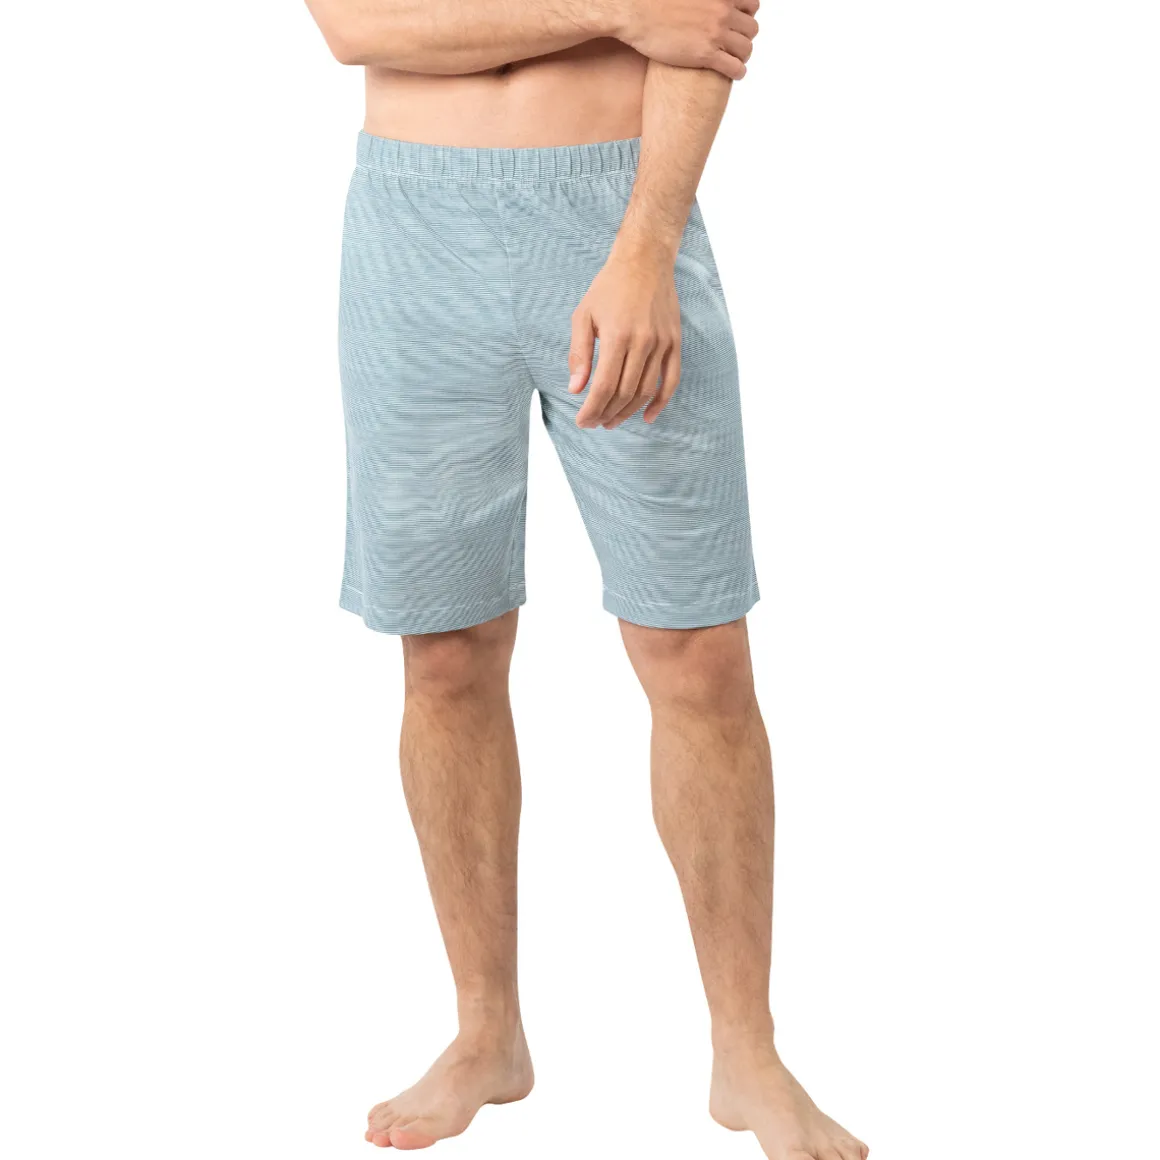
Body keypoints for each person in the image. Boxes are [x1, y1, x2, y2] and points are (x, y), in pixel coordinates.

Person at [304, 1, 867, 1156]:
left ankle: (746, 1049)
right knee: (444, 649)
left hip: (615, 206)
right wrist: (613, 10)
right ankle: (485, 1032)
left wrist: (646, 244)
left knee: (694, 649)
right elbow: (356, 24)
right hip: (412, 228)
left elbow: (701, 25)